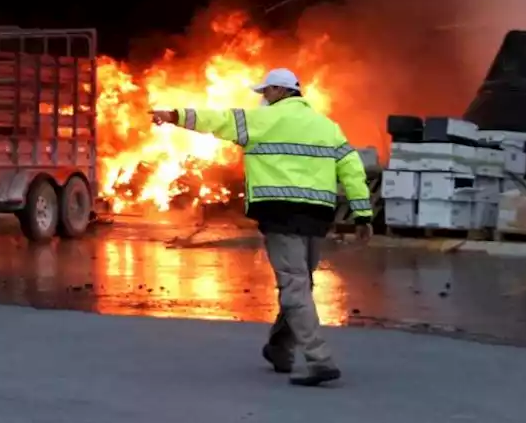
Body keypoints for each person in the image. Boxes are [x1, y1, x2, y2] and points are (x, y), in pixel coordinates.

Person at [150, 67, 373, 386]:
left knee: (295, 286)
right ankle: (280, 347)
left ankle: (319, 358)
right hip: (316, 217)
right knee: (301, 284)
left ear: (281, 92)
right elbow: (351, 168)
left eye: (267, 92)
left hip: (280, 215)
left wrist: (173, 115)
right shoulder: (327, 127)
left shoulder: (262, 121)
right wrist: (363, 214)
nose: (263, 98)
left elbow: (218, 120)